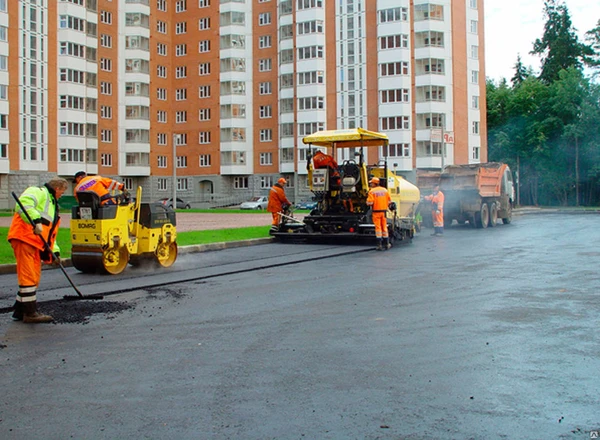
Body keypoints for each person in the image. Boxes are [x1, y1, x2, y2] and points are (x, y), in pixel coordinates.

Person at [8, 178, 69, 323]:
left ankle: (20, 309)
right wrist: (35, 221)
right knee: (28, 275)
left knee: (34, 277)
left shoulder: (52, 204)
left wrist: (55, 253)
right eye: (63, 191)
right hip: (25, 238)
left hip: (35, 243)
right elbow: (24, 203)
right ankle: (30, 313)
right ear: (57, 188)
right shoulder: (38, 191)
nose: (63, 194)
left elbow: (49, 234)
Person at [367, 177, 392, 251]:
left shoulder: (372, 191)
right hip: (383, 212)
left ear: (374, 183)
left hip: (376, 212)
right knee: (384, 227)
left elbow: (370, 202)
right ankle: (387, 243)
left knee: (378, 228)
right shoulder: (385, 190)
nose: (371, 184)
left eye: (371, 183)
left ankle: (379, 245)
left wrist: (367, 202)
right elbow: (389, 201)